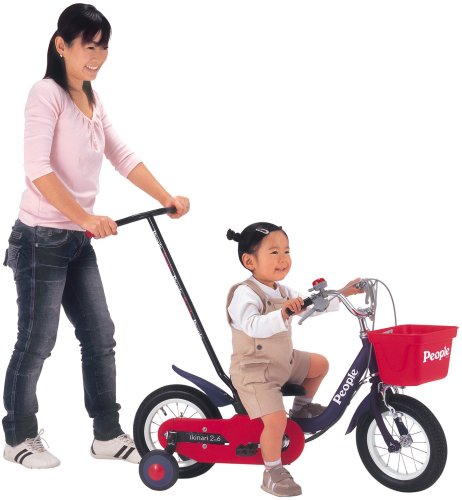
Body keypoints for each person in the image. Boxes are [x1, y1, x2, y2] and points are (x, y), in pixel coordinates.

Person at [2, 3, 189, 469]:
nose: (98, 56)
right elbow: (37, 170)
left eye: (103, 47)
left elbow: (121, 155)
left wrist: (166, 196)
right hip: (40, 239)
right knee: (37, 340)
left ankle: (106, 434)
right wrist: (85, 217)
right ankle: (18, 437)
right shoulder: (45, 94)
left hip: (76, 242)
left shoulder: (92, 99)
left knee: (100, 335)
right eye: (89, 46)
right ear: (61, 45)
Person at [226, 222, 361, 497]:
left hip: (282, 362)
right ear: (249, 261)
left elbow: (312, 306)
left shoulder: (283, 291)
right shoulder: (243, 293)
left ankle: (301, 410)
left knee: (319, 364)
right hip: (254, 371)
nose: (283, 259)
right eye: (274, 252)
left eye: (286, 251)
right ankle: (273, 470)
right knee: (277, 421)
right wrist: (283, 314)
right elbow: (252, 326)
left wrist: (343, 292)